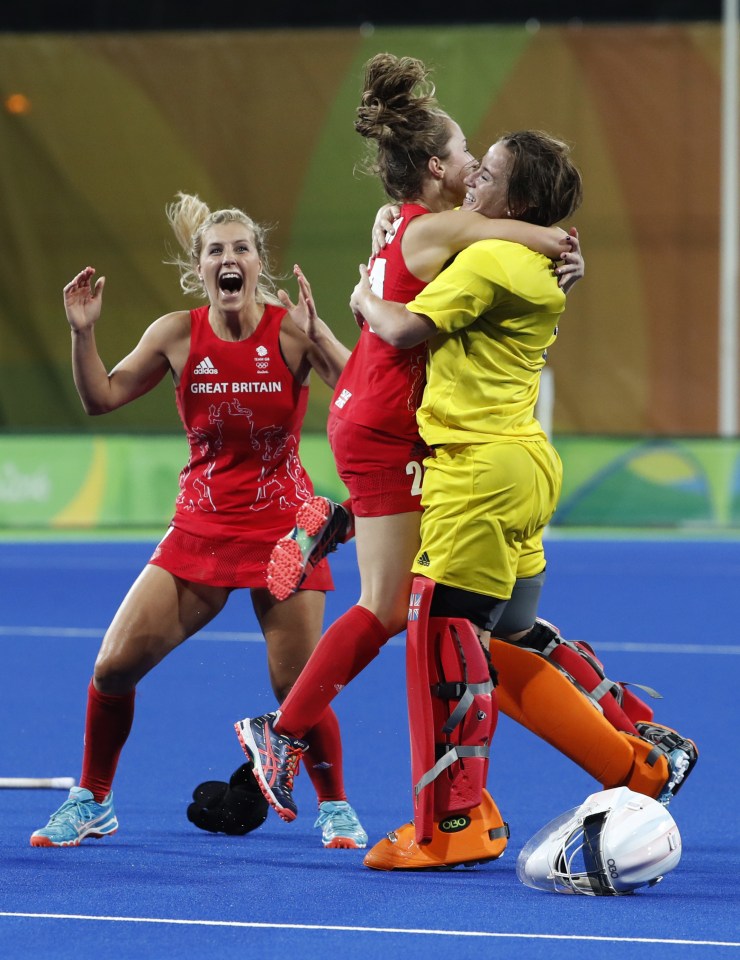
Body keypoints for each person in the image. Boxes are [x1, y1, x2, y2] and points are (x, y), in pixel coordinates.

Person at [232, 55, 579, 822]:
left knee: (431, 577)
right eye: (466, 157)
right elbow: (531, 232)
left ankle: (337, 520)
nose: (474, 167)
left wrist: (373, 265)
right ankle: (281, 733)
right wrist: (565, 246)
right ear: (435, 166)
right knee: (388, 605)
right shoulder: (451, 228)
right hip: (388, 424)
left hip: (375, 412)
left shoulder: (413, 229)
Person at [347, 130, 697, 869]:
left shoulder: (490, 258)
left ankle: (450, 827)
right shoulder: (533, 259)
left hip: (476, 472)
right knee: (505, 640)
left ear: (521, 200)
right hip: (525, 466)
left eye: (491, 175)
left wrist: (365, 294)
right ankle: (638, 761)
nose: (474, 181)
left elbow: (403, 325)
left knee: (442, 639)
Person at [30, 193, 368, 850]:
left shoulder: (292, 329)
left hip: (286, 531)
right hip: (201, 529)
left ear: (258, 263)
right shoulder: (175, 334)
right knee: (112, 669)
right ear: (200, 268)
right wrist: (82, 333)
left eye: (242, 248)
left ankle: (336, 807)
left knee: (296, 684)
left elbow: (362, 398)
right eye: (217, 250)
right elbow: (101, 398)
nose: (229, 258)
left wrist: (325, 333)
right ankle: (93, 799)